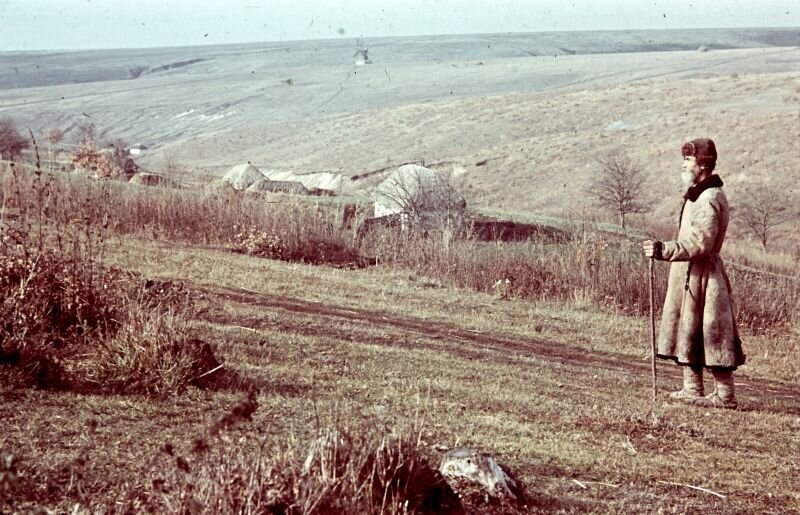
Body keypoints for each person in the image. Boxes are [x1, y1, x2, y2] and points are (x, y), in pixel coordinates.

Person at [643, 138, 745, 409]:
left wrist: (665, 249)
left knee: (712, 332)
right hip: (689, 274)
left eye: (687, 160)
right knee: (689, 330)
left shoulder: (710, 197)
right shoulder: (698, 193)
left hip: (704, 277)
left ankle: (725, 396)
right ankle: (692, 389)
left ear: (702, 164)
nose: (683, 165)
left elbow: (702, 241)